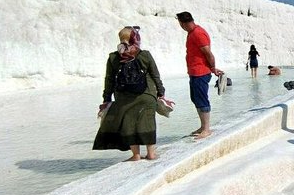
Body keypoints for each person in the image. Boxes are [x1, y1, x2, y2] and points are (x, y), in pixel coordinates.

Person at [93, 26, 166, 161]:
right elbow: (155, 75)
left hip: (124, 97)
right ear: (135, 38)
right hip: (146, 94)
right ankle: (151, 154)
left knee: (129, 125)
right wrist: (161, 92)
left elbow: (109, 79)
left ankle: (136, 155)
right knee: (148, 122)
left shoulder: (114, 57)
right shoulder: (144, 54)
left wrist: (106, 99)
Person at [176, 11, 223, 139]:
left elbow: (208, 53)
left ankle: (207, 129)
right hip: (195, 72)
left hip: (200, 72)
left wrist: (212, 67)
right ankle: (203, 126)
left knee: (202, 99)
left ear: (182, 23)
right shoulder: (192, 33)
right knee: (196, 98)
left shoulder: (198, 33)